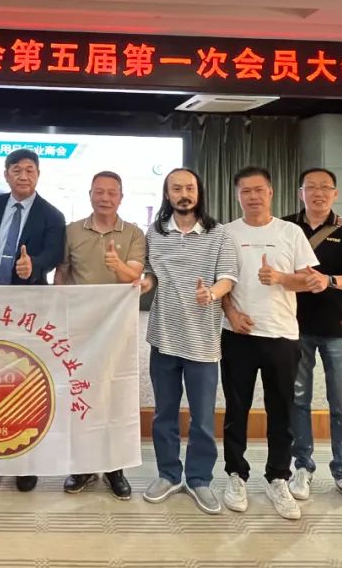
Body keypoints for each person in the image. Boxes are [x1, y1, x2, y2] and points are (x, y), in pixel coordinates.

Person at [220, 165, 320, 521]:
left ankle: (278, 477)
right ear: (237, 195)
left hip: (282, 336)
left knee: (282, 411)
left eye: (258, 190)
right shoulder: (226, 233)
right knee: (236, 410)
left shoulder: (290, 232)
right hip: (239, 335)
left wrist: (280, 277)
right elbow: (221, 282)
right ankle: (236, 474)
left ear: (271, 192)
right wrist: (231, 313)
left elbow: (309, 281)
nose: (253, 197)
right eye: (245, 191)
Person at [141, 168, 237, 515]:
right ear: (167, 194)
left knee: (202, 418)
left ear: (199, 192)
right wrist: (145, 284)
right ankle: (168, 474)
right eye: (177, 188)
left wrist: (211, 293)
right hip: (163, 337)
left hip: (203, 342)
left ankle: (199, 479)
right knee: (164, 414)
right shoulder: (155, 232)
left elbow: (228, 278)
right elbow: (151, 273)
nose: (184, 194)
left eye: (190, 188)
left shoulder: (219, 234)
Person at [0, 148, 65, 491]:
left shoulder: (52, 215)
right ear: (6, 174)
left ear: (38, 174)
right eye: (16, 170)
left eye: (29, 170)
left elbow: (53, 255)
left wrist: (33, 265)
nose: (23, 176)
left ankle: (25, 462)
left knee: (24, 385)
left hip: (27, 312)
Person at [55, 171, 147, 500]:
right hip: (78, 327)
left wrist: (117, 264)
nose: (105, 198)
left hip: (116, 328)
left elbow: (133, 276)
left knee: (114, 394)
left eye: (112, 193)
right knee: (79, 393)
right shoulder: (71, 231)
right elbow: (62, 273)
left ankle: (114, 468)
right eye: (99, 192)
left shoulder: (134, 233)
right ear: (90, 195)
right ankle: (82, 466)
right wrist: (58, 312)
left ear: (121, 197)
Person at [285, 168, 342, 513]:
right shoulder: (286, 227)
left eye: (325, 187)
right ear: (300, 192)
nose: (318, 193)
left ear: (335, 194)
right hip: (294, 327)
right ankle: (302, 467)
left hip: (338, 328)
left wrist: (328, 281)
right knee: (297, 400)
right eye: (311, 187)